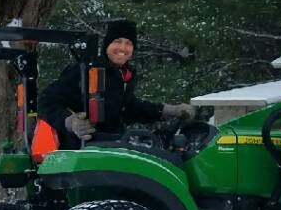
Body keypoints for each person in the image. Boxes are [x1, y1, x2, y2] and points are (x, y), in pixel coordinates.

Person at [35, 18, 195, 152]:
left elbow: (128, 109)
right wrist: (71, 122)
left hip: (112, 145)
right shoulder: (86, 70)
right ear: (107, 45)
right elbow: (46, 101)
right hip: (81, 149)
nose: (122, 48)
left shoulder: (125, 74)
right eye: (117, 41)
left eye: (128, 43)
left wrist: (167, 110)